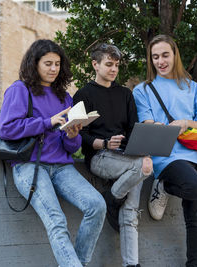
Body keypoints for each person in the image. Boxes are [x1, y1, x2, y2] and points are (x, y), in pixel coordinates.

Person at [0, 39, 106, 267]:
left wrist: (72, 133)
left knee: (97, 205)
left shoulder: (64, 97)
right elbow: (5, 129)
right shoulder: (19, 89)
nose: (53, 69)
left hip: (61, 167)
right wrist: (46, 122)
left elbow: (72, 148)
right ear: (34, 64)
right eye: (48, 63)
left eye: (57, 64)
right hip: (29, 165)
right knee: (57, 221)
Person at [133, 34, 197, 267]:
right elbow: (146, 122)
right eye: (155, 57)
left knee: (195, 216)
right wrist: (158, 127)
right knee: (196, 187)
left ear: (175, 55)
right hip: (166, 155)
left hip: (195, 152)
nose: (160, 61)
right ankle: (164, 185)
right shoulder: (143, 90)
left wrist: (186, 122)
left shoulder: (192, 87)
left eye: (165, 55)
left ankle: (194, 265)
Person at [73, 43, 153, 267]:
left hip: (127, 156)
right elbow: (80, 136)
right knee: (144, 167)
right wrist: (106, 143)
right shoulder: (83, 94)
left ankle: (131, 263)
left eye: (117, 65)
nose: (114, 69)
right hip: (99, 157)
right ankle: (111, 199)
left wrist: (132, 143)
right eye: (109, 64)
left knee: (130, 214)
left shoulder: (125, 94)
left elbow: (133, 128)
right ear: (95, 64)